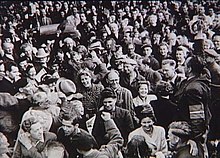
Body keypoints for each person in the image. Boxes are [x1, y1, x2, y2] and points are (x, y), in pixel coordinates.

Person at [174, 56, 211, 157]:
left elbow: (197, 117)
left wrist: (194, 139)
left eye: (185, 66)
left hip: (191, 135)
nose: (184, 68)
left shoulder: (193, 88)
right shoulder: (197, 83)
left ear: (189, 69)